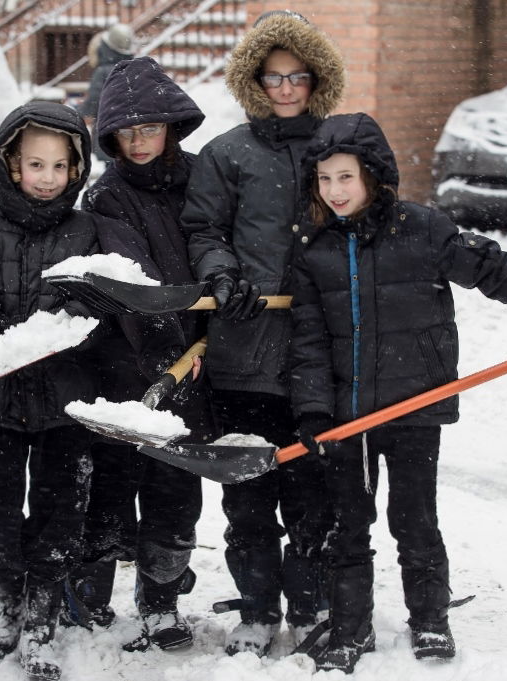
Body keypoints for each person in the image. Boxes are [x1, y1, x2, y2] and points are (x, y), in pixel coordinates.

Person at [290, 112, 507, 674]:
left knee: (415, 520)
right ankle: (350, 625)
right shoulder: (315, 251)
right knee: (348, 524)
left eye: (345, 178)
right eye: (324, 179)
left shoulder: (425, 230)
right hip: (346, 415)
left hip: (416, 407)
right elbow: (308, 339)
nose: (334, 191)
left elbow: (495, 269)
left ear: (374, 176)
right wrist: (313, 410)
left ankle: (430, 619)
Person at [0, 100, 146, 681]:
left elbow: (116, 303)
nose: (47, 178)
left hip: (67, 400)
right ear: (11, 165)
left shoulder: (89, 232)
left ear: (76, 170)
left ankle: (42, 614)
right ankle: (9, 597)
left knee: (63, 511)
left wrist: (84, 312)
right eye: (35, 165)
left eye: (60, 167)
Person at [179, 10, 346, 656]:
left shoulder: (338, 148)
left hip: (316, 357)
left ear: (315, 79)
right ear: (254, 81)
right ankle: (255, 607)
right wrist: (223, 276)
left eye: (296, 76)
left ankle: (309, 604)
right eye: (272, 77)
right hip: (242, 350)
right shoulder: (227, 154)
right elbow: (204, 230)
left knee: (313, 494)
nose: (284, 88)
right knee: (248, 496)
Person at [67, 55, 215, 652]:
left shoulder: (204, 178)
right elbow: (134, 282)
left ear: (172, 126)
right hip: (126, 361)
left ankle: (161, 600)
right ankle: (91, 594)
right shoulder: (107, 197)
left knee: (176, 487)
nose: (140, 142)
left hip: (198, 358)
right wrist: (163, 357)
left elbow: (217, 245)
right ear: (111, 138)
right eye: (127, 132)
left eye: (150, 128)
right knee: (114, 479)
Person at [78, 23, 134, 162]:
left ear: (104, 48)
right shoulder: (131, 69)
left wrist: (79, 112)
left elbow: (94, 102)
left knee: (110, 168)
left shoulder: (103, 72)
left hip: (107, 129)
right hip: (128, 130)